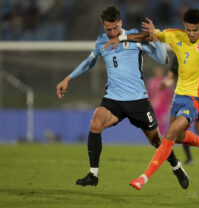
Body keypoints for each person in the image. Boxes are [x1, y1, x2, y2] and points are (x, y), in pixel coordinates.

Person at [104, 8, 199, 190]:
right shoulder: (175, 35)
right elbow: (147, 37)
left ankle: (143, 178)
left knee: (169, 135)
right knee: (178, 137)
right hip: (178, 96)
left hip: (197, 98)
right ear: (184, 27)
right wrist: (121, 39)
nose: (192, 34)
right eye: (188, 29)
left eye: (196, 30)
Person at [56, 5, 189, 189]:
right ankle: (93, 174)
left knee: (156, 141)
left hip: (138, 101)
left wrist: (156, 39)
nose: (111, 32)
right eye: (107, 29)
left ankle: (177, 166)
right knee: (95, 125)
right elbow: (89, 62)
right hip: (113, 99)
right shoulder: (102, 41)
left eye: (114, 28)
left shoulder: (135, 37)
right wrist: (68, 78)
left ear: (120, 23)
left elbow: (162, 59)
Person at [147, 65, 173, 135]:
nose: (158, 72)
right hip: (153, 106)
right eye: (157, 71)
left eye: (159, 71)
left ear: (162, 72)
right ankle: (156, 139)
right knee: (154, 124)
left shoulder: (166, 82)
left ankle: (161, 139)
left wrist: (169, 105)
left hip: (163, 107)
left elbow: (169, 95)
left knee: (161, 124)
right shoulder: (151, 82)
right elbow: (149, 95)